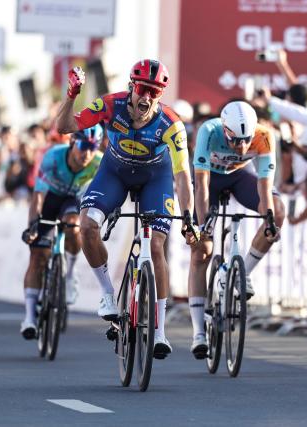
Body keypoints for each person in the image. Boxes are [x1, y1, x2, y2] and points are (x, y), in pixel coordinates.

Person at [55, 59, 198, 359]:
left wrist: (188, 218)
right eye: (143, 89)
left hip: (154, 179)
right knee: (88, 226)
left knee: (156, 247)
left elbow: (183, 176)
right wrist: (71, 96)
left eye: (154, 92)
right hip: (115, 173)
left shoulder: (171, 125)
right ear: (132, 87)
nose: (146, 97)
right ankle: (108, 294)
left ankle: (159, 331)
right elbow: (64, 126)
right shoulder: (111, 105)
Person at [188, 101, 283, 358]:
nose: (241, 147)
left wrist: (270, 220)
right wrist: (203, 224)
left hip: (240, 176)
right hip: (210, 179)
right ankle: (198, 332)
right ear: (225, 131)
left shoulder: (264, 136)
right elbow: (202, 184)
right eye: (234, 141)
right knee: (200, 251)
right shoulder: (209, 131)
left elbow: (264, 186)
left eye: (246, 140)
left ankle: (238, 275)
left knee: (278, 210)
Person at [20, 125, 104, 340]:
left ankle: (70, 272)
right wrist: (32, 225)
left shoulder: (98, 162)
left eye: (93, 147)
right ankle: (29, 317)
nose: (87, 153)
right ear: (72, 143)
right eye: (84, 146)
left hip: (73, 201)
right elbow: (37, 196)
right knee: (38, 257)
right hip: (50, 199)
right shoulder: (52, 157)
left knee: (74, 225)